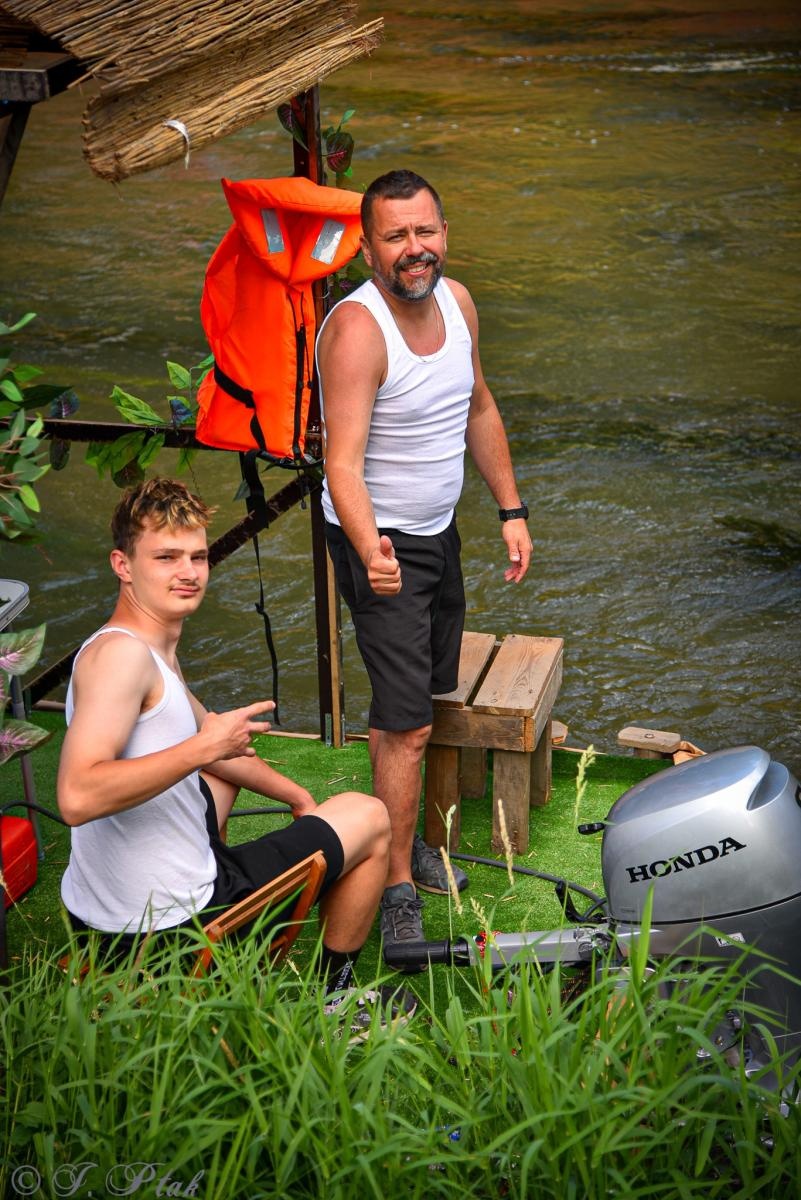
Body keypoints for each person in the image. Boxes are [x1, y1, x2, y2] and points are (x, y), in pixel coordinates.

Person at [57, 477, 414, 1031]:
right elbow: (77, 796)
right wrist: (202, 748)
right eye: (166, 556)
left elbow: (211, 743)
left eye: (198, 556)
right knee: (370, 817)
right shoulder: (121, 662)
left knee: (219, 778)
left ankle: (215, 919)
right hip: (170, 933)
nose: (188, 572)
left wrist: (295, 795)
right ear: (122, 564)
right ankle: (334, 1003)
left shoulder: (138, 645)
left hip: (100, 925)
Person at [317, 169, 532, 955]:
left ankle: (410, 846)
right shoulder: (355, 331)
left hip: (438, 531)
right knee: (403, 724)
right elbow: (341, 463)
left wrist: (509, 509)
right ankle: (396, 879)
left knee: (430, 696)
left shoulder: (459, 303)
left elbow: (476, 406)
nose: (416, 249)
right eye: (397, 236)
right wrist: (371, 543)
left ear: (445, 232)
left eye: (426, 231)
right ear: (368, 246)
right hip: (380, 543)